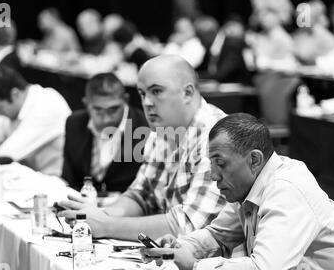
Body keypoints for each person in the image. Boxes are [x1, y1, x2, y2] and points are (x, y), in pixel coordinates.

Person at [143, 113, 334, 270]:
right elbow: (217, 235)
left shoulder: (286, 189)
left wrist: (194, 267)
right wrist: (179, 248)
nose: (213, 175)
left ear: (254, 160)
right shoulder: (250, 186)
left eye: (221, 164)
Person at [58, 55, 232, 241]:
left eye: (156, 91)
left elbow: (188, 225)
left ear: (187, 93)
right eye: (142, 94)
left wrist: (107, 225)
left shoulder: (215, 137)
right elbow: (141, 195)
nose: (147, 102)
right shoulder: (162, 131)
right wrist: (100, 214)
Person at [0, 66, 72, 176]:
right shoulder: (13, 107)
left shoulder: (47, 103)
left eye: (0, 108)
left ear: (15, 94)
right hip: (30, 176)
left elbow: (7, 155)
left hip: (56, 181)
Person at [62, 73, 148, 193]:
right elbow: (69, 178)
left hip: (129, 206)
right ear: (86, 104)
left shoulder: (145, 127)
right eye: (98, 110)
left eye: (113, 109)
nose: (106, 119)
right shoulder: (74, 123)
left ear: (126, 100)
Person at [195, 16, 250, 84]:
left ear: (209, 34)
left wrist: (195, 76)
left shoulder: (231, 46)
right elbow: (202, 68)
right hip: (218, 88)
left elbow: (222, 74)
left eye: (200, 37)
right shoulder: (212, 48)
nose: (200, 42)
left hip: (237, 89)